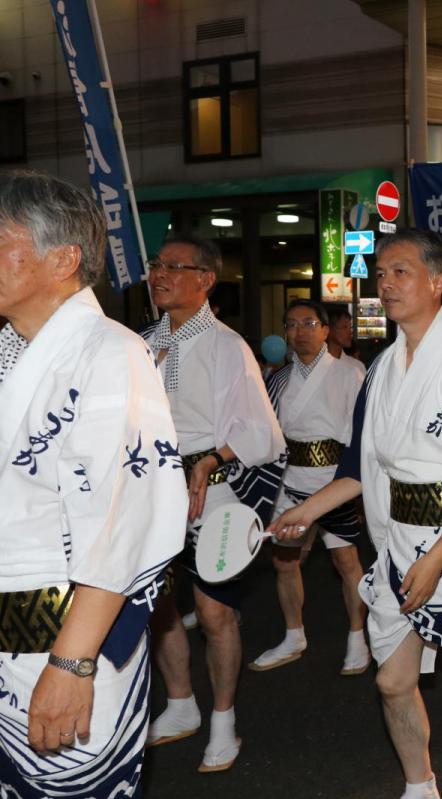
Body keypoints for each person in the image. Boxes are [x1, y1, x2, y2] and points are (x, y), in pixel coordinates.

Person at [270, 229, 442, 799]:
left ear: (439, 281)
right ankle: (421, 785)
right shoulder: (381, 368)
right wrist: (304, 511)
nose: (385, 284)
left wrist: (438, 558)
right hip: (399, 539)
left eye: (400, 272)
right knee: (391, 681)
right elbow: (360, 466)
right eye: (381, 274)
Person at [0, 170, 187, 797]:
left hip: (59, 639)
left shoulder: (110, 353)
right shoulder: (10, 351)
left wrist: (71, 663)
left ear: (64, 259)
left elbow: (123, 518)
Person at [143, 234, 285, 772]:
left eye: (174, 266)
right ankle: (181, 704)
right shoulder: (141, 341)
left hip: (216, 489)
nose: (160, 274)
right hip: (155, 489)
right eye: (157, 265)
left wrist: (209, 459)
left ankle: (223, 718)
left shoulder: (228, 345)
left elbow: (261, 429)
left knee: (214, 610)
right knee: (157, 603)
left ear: (206, 279)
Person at [251, 299, 368, 674]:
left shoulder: (351, 372)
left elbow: (363, 434)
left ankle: (357, 635)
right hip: (290, 479)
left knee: (345, 560)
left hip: (334, 479)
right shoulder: (279, 378)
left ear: (325, 329)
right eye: (291, 324)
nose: (299, 332)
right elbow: (267, 431)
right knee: (284, 560)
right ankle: (294, 633)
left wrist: (361, 486)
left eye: (308, 323)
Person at [327, 308, 367, 377]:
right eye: (345, 327)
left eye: (350, 327)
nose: (350, 332)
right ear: (328, 329)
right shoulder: (313, 363)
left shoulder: (357, 366)